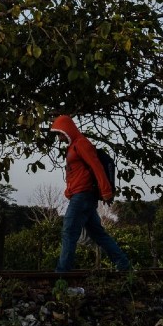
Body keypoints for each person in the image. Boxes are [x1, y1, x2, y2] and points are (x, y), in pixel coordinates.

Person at [50, 114, 131, 272]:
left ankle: (61, 274)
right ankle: (124, 265)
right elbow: (76, 173)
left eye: (60, 133)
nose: (59, 138)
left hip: (83, 196)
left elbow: (96, 166)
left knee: (69, 231)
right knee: (98, 234)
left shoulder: (82, 144)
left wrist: (106, 190)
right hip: (80, 195)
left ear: (67, 130)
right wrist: (69, 191)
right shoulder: (73, 146)